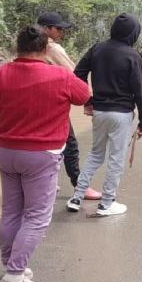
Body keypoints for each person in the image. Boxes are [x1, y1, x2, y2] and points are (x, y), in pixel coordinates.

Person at [0, 25, 91, 282]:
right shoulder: (59, 76)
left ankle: (12, 267)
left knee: (11, 211)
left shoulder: (1, 73)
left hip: (6, 150)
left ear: (17, 47)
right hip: (41, 154)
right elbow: (85, 95)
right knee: (37, 216)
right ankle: (15, 276)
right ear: (46, 48)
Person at [66, 13, 142, 216]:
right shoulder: (132, 55)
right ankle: (107, 203)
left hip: (100, 111)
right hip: (121, 114)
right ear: (133, 33)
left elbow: (78, 74)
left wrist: (89, 100)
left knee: (95, 154)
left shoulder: (97, 48)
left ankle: (77, 197)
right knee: (116, 158)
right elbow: (139, 90)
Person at [37, 12, 102, 201]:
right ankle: (79, 187)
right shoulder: (52, 48)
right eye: (58, 29)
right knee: (70, 144)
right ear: (47, 29)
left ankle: (44, 183)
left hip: (34, 104)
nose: (61, 32)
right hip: (53, 104)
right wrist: (89, 100)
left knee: (42, 144)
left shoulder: (29, 47)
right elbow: (72, 75)